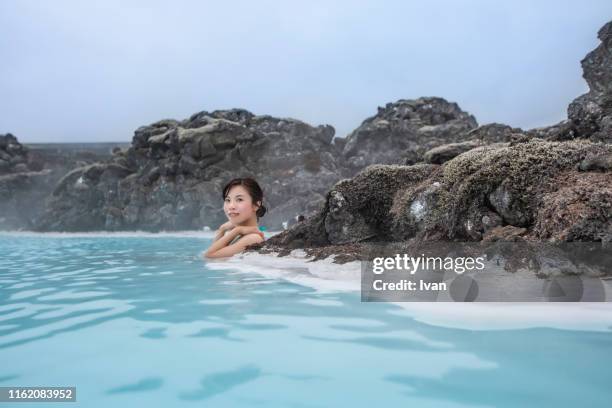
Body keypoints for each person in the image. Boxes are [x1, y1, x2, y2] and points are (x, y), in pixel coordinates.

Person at [203, 178, 266, 259]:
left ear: (256, 205)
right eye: (228, 200)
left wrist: (237, 230)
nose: (231, 206)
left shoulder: (253, 238)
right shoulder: (240, 235)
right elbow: (213, 250)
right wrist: (222, 229)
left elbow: (209, 256)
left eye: (239, 199)